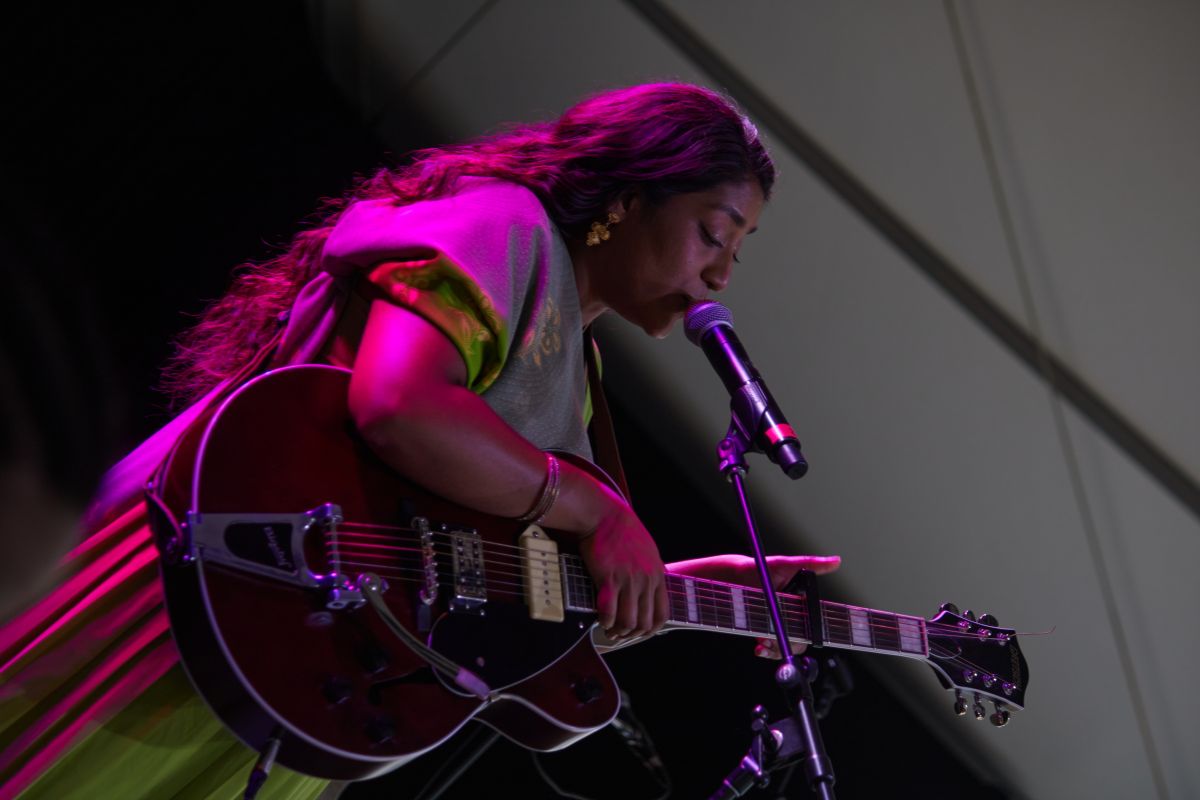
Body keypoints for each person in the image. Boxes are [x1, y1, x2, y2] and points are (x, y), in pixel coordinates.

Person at [0, 82, 840, 799]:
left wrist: (663, 581)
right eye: (714, 231)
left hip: (304, 663)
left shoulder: (574, 365)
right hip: (218, 584)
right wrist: (592, 506)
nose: (723, 274)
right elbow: (401, 406)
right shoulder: (507, 227)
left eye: (736, 248)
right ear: (629, 197)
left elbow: (472, 537)